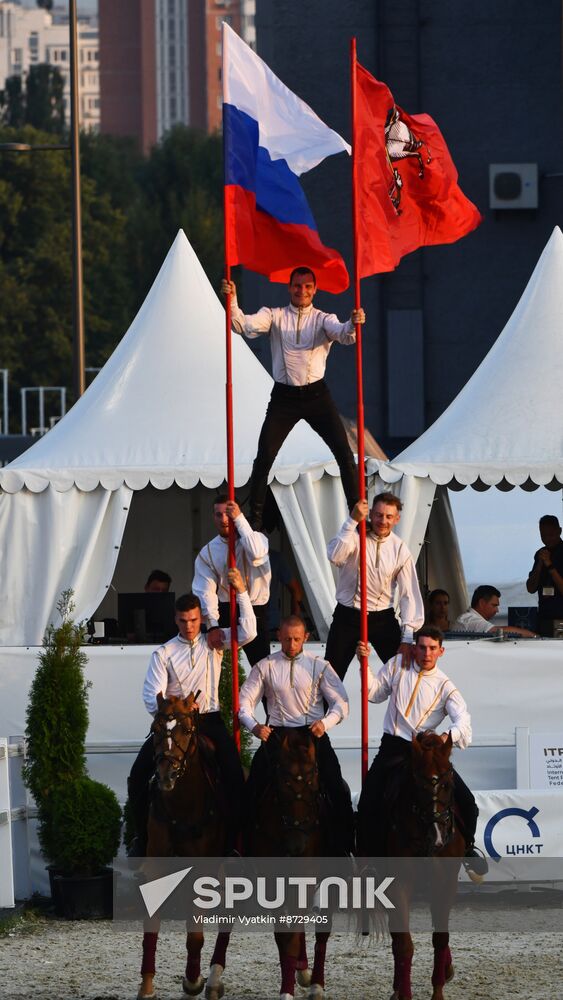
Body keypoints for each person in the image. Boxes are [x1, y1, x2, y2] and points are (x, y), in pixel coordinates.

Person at [221, 269, 365, 530]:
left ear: (314, 289)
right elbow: (242, 325)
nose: (302, 291)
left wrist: (354, 322)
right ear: (290, 288)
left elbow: (344, 334)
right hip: (284, 397)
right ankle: (255, 521)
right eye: (297, 286)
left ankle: (357, 511)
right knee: (264, 456)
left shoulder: (323, 319)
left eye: (307, 286)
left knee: (344, 453)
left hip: (317, 395)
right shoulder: (275, 315)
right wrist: (232, 300)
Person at [127, 567, 256, 856]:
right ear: (176, 619)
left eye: (194, 620)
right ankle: (142, 839)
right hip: (172, 724)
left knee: (236, 778)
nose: (189, 626)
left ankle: (234, 846)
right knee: (137, 777)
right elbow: (152, 696)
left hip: (208, 720)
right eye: (184, 621)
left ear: (201, 618)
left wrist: (243, 593)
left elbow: (249, 631)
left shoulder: (214, 641)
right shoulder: (164, 653)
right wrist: (175, 707)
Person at [355, 626, 487, 874]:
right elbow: (373, 694)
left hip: (428, 753)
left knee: (468, 803)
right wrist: (364, 662)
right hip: (394, 747)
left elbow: (464, 722)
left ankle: (468, 849)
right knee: (368, 802)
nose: (427, 653)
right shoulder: (397, 665)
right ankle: (368, 860)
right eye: (422, 647)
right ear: (414, 648)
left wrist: (449, 735)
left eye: (432, 648)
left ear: (441, 651)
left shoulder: (446, 686)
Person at [238, 614, 355, 855]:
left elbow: (341, 703)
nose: (291, 645)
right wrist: (255, 726)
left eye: (297, 639)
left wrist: (326, 723)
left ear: (306, 638)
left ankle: (345, 849)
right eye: (287, 639)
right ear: (278, 636)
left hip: (312, 734)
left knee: (337, 787)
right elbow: (244, 704)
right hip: (276, 736)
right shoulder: (265, 666)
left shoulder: (320, 665)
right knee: (251, 790)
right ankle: (243, 850)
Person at [325, 493, 425, 679]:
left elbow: (408, 594)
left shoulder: (400, 549)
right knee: (330, 676)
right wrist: (352, 520)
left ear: (397, 519)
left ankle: (405, 708)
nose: (383, 521)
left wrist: (407, 637)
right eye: (378, 515)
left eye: (388, 516)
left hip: (382, 618)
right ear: (370, 514)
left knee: (404, 675)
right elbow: (334, 556)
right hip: (348, 615)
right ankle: (331, 709)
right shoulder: (354, 536)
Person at [192, 494, 271, 665]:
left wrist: (240, 519)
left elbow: (257, 552)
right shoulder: (208, 552)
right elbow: (205, 591)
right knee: (220, 665)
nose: (223, 519)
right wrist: (212, 625)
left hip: (255, 607)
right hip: (226, 609)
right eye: (218, 514)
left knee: (262, 669)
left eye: (227, 513)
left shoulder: (257, 539)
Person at [526, 515, 563, 636]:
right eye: (543, 536)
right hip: (544, 617)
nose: (547, 539)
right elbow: (530, 588)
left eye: (551, 535)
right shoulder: (540, 554)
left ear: (560, 531)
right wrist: (540, 565)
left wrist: (550, 565)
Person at [453, 585, 536, 637]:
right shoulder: (469, 619)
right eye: (494, 605)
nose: (497, 610)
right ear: (482, 603)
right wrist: (534, 636)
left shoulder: (469, 618)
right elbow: (499, 631)